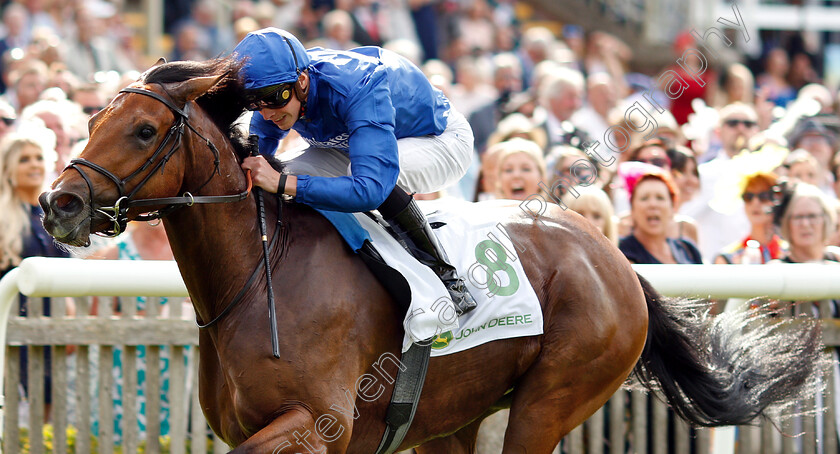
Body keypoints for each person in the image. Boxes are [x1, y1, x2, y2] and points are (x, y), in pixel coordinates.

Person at [235, 28, 477, 315]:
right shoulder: (278, 86)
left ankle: (447, 278)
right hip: (358, 142)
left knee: (346, 175)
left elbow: (370, 189)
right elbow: (260, 164)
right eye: (253, 102)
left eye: (274, 98)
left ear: (302, 81)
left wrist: (284, 182)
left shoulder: (357, 84)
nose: (266, 113)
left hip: (440, 140)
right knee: (284, 170)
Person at [617, 162, 702, 264]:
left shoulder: (688, 249)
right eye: (644, 198)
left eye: (660, 198)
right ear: (632, 209)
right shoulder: (620, 253)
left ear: (672, 208)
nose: (653, 205)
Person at [714, 173, 787, 264]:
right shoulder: (728, 257)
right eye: (748, 197)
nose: (755, 202)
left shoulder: (790, 252)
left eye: (764, 196)